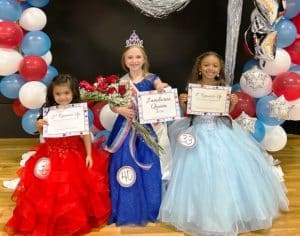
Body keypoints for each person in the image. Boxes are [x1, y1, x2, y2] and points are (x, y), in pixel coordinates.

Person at [159, 51, 289, 236]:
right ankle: (200, 214)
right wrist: (183, 103)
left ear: (219, 69)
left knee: (227, 170)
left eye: (214, 65)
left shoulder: (222, 87)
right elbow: (191, 113)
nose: (210, 68)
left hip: (221, 129)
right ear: (199, 68)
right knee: (198, 171)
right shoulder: (193, 87)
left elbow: (224, 112)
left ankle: (233, 211)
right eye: (206, 65)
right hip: (198, 130)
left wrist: (232, 105)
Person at [5, 74, 111, 235]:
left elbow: (85, 134)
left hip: (74, 155)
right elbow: (43, 133)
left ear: (73, 93)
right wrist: (39, 125)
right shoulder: (49, 112)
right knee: (48, 190)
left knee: (73, 189)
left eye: (66, 93)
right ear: (52, 95)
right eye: (58, 94)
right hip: (51, 155)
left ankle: (71, 219)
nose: (62, 97)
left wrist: (89, 155)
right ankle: (49, 217)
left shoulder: (78, 111)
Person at [106, 30, 170, 226]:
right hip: (125, 128)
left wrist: (161, 88)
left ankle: (151, 206)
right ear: (125, 61)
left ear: (144, 59)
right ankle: (127, 206)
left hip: (147, 130)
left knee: (149, 165)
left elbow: (161, 87)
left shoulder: (152, 78)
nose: (134, 60)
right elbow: (111, 104)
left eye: (138, 57)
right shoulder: (121, 82)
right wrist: (120, 109)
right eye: (130, 57)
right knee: (124, 165)